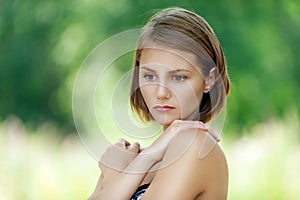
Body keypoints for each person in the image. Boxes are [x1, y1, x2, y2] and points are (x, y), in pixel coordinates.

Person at [89, 7, 230, 200]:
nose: (161, 92)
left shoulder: (196, 146)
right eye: (149, 76)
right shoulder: (142, 158)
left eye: (178, 77)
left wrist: (114, 175)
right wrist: (145, 159)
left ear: (209, 80)